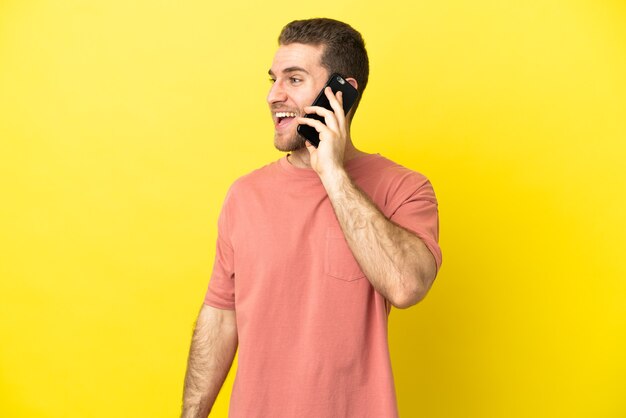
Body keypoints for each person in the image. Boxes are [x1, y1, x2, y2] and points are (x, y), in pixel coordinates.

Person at [181, 18, 442, 418]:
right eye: (273, 80)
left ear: (341, 95)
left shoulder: (404, 189)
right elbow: (220, 317)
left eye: (294, 80)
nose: (273, 95)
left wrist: (333, 173)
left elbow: (406, 286)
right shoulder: (245, 195)